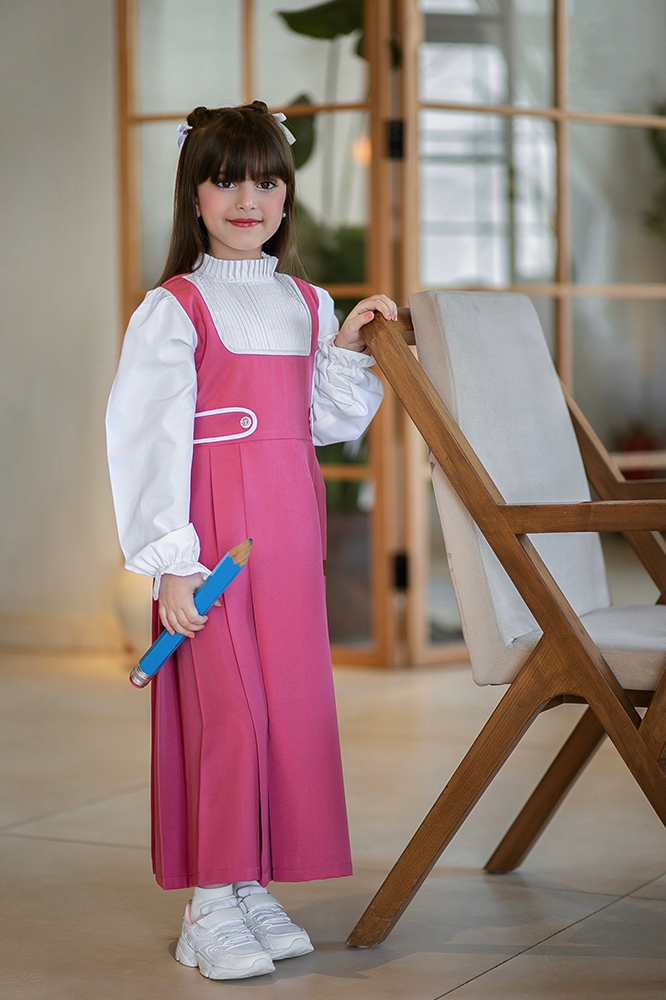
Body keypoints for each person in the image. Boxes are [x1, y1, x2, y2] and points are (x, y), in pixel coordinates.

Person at [106, 101, 395, 981]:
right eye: (226, 181)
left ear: (286, 195)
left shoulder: (307, 302)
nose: (247, 201)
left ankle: (250, 884)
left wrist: (346, 345)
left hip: (289, 528)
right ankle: (209, 903)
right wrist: (172, 562)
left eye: (267, 183)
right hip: (212, 534)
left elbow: (325, 422)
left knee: (286, 706)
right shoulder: (174, 308)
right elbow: (146, 437)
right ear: (193, 194)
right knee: (227, 712)